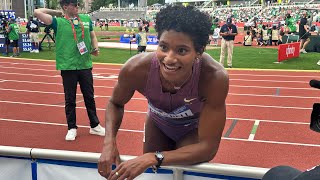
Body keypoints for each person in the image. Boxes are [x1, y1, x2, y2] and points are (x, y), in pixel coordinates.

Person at [98, 5, 229, 180]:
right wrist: (109, 141)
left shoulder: (214, 77)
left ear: (199, 52)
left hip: (192, 129)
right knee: (155, 176)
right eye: (164, 47)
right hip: (157, 124)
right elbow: (115, 102)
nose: (169, 58)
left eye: (181, 50)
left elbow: (207, 147)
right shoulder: (135, 69)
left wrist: (154, 157)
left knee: (181, 172)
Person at [34, 0, 105, 141]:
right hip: (68, 66)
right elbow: (37, 12)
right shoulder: (57, 22)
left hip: (85, 64)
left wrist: (95, 47)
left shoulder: (85, 19)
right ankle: (72, 127)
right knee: (70, 99)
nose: (78, 7)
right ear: (66, 7)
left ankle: (95, 125)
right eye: (75, 5)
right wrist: (57, 12)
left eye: (78, 4)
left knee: (89, 97)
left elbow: (92, 35)